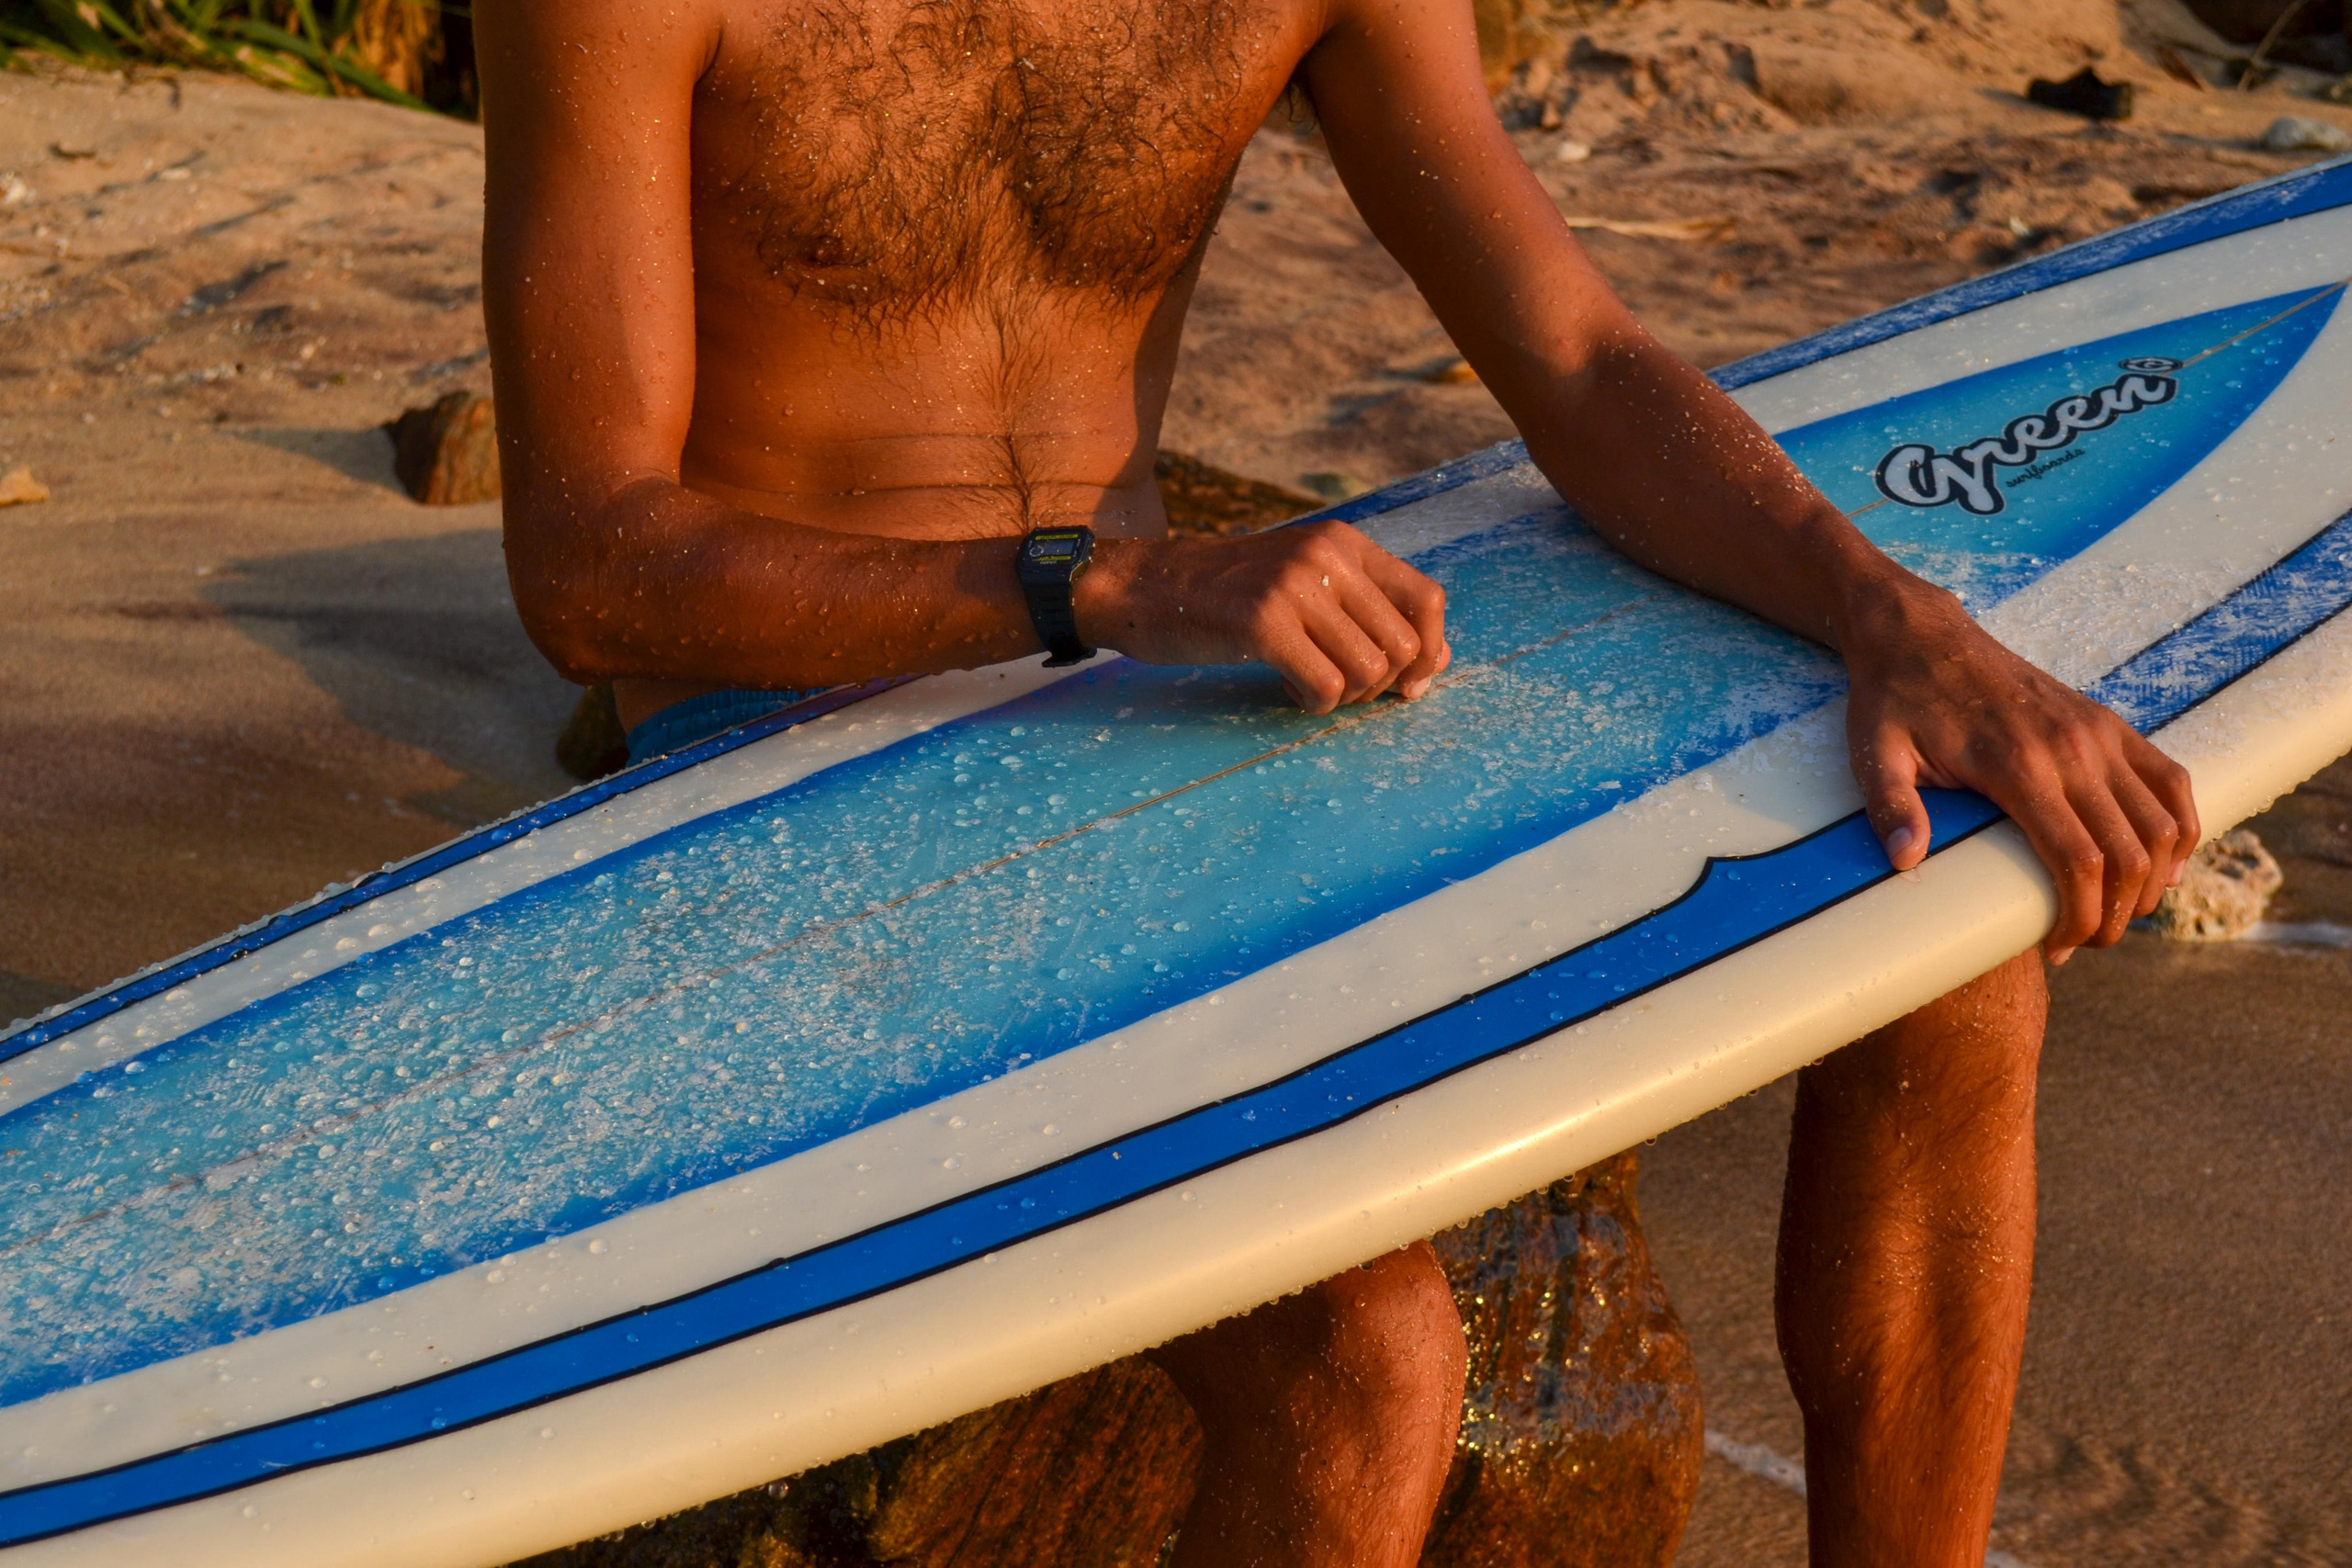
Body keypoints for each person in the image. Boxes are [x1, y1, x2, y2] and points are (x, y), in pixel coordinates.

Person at [472, 2, 2196, 1562]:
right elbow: (590, 569)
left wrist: (1899, 621)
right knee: (1366, 1366)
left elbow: (1583, 369)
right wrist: (1110, 585)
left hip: (1155, 718)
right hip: (797, 766)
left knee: (1951, 940)